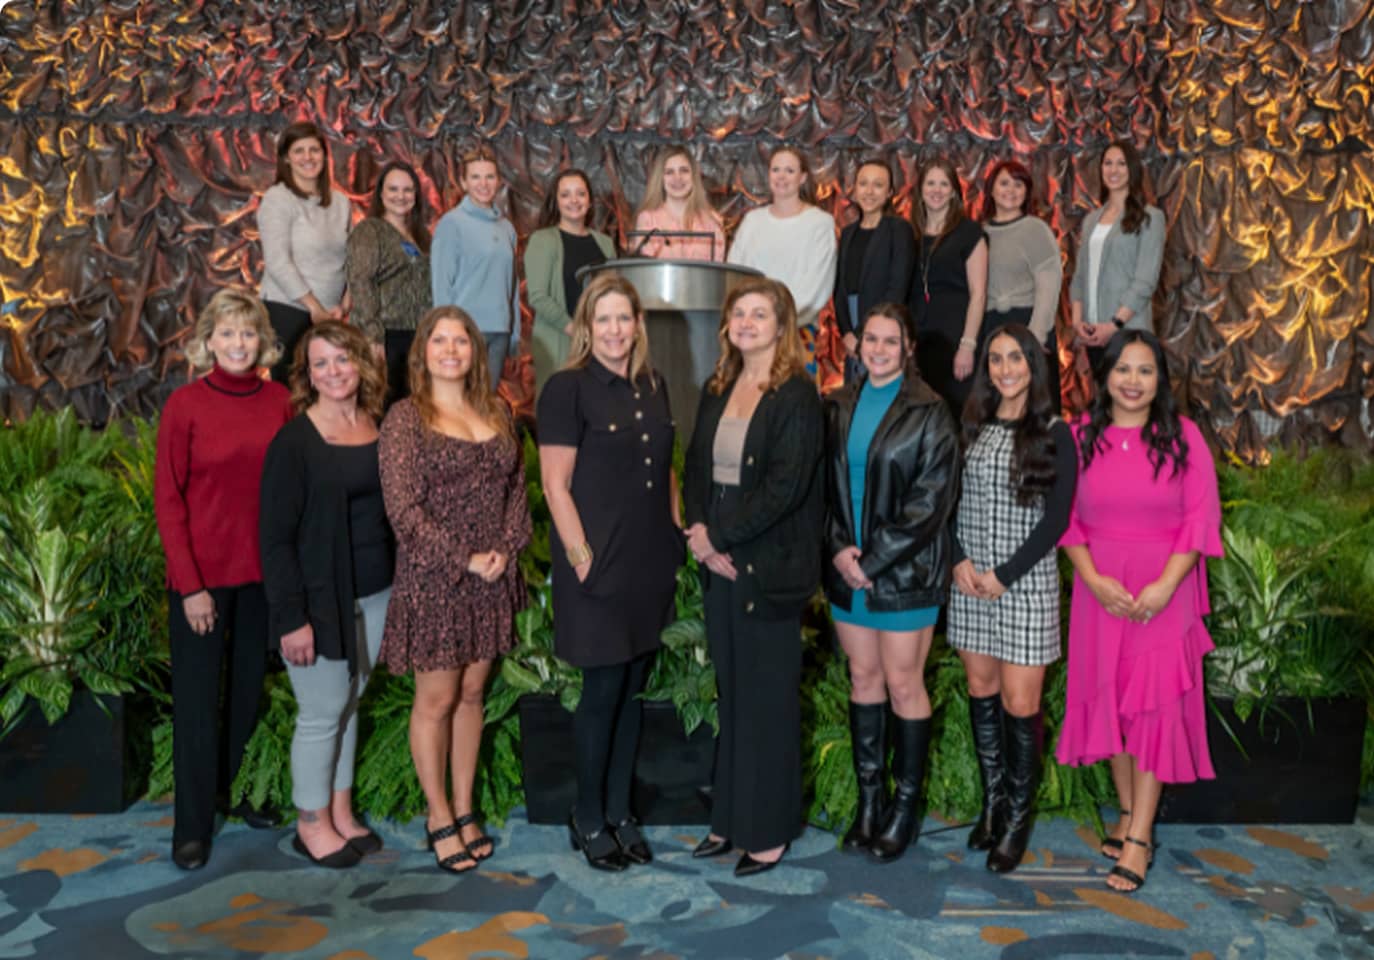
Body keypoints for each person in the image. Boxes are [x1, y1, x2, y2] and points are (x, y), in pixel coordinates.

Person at [1056, 329, 1221, 894]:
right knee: (1113, 707)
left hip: (1162, 594)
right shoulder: (1079, 436)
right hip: (1101, 591)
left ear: (1160, 380)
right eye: (1122, 369)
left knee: (1151, 712)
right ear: (1104, 377)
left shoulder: (1185, 437)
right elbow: (1065, 519)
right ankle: (1129, 813)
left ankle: (1141, 837)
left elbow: (1199, 521)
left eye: (1145, 370)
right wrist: (1093, 579)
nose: (1132, 381)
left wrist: (1165, 587)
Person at [378, 306, 531, 874]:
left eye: (460, 341)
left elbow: (517, 487)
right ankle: (438, 815)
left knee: (472, 695)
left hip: (491, 576)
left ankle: (466, 809)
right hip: (437, 578)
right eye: (439, 340)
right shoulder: (405, 418)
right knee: (437, 700)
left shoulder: (496, 409)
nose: (450, 350)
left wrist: (507, 550)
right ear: (423, 351)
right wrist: (462, 558)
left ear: (474, 351)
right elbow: (403, 511)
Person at [537, 274, 682, 871]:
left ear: (638, 325)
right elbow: (554, 484)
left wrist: (679, 533)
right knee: (600, 694)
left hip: (649, 561)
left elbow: (666, 468)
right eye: (604, 320)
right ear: (585, 327)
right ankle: (588, 815)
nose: (615, 331)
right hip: (596, 563)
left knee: (630, 694)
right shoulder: (566, 389)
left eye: (625, 319)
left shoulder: (654, 382)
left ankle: (621, 811)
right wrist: (579, 559)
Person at [684, 277, 825, 878]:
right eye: (738, 313)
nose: (746, 322)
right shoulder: (720, 385)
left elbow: (784, 490)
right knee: (734, 695)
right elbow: (693, 465)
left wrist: (721, 538)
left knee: (766, 702)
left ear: (780, 325)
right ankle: (729, 820)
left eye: (759, 314)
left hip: (767, 566)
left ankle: (766, 832)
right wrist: (697, 532)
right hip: (720, 563)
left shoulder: (796, 395)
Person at [154, 289, 293, 870]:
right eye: (228, 333)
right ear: (208, 340)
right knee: (195, 703)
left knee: (243, 699)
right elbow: (168, 499)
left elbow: (289, 491)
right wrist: (190, 586)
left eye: (249, 333)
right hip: (201, 584)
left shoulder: (281, 400)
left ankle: (226, 792)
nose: (239, 344)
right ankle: (191, 827)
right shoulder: (185, 405)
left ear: (263, 342)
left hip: (260, 577)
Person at [822, 303, 959, 864]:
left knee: (904, 684)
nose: (877, 349)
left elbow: (930, 504)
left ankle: (905, 809)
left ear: (907, 348)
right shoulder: (837, 404)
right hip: (847, 568)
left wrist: (871, 561)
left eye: (889, 340)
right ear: (858, 346)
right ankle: (870, 803)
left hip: (903, 573)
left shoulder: (930, 412)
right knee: (863, 678)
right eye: (869, 340)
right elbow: (823, 487)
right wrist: (836, 550)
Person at [259, 322, 393, 870]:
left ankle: (339, 808)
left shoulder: (373, 423)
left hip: (376, 589)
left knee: (351, 700)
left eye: (342, 358)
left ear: (360, 363)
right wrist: (292, 618)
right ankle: (310, 821)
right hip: (319, 599)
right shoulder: (294, 442)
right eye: (320, 363)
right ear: (306, 376)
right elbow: (274, 538)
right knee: (322, 710)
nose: (333, 371)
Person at [948, 323, 1076, 874]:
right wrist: (959, 560)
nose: (1005, 369)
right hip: (971, 582)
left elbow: (1057, 519)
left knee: (1020, 705)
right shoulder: (971, 425)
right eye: (996, 360)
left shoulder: (1055, 431)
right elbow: (948, 499)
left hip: (1024, 585)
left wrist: (1006, 573)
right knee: (981, 689)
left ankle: (1019, 818)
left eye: (1016, 359)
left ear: (1034, 365)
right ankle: (994, 803)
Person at [727, 146, 837, 380]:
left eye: (789, 170)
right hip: (750, 337)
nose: (782, 176)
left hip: (796, 335)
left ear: (803, 177)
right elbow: (734, 276)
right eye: (776, 169)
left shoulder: (820, 223)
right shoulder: (752, 221)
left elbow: (816, 288)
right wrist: (754, 321)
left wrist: (771, 322)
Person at [257, 121, 351, 385]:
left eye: (314, 150)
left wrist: (343, 306)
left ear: (324, 155)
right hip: (288, 311)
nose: (307, 157)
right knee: (290, 393)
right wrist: (314, 307)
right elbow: (278, 262)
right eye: (299, 151)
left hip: (331, 315)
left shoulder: (341, 203)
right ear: (286, 158)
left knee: (327, 391)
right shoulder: (278, 199)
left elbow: (354, 259)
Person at [1068, 141, 1165, 374]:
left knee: (1130, 404)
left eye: (1121, 164)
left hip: (1129, 332)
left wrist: (1114, 325)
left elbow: (1145, 281)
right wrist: (1077, 322)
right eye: (1108, 163)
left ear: (1132, 169)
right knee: (1104, 405)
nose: (1113, 170)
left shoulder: (1150, 217)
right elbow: (1080, 276)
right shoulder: (1091, 220)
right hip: (1093, 335)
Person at [430, 145, 519, 391]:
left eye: (490, 176)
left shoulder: (506, 228)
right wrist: (445, 333)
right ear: (464, 182)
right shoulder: (451, 223)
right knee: (462, 402)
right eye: (476, 177)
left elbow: (511, 287)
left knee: (485, 405)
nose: (484, 183)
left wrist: (514, 334)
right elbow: (441, 284)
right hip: (465, 331)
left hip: (499, 331)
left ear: (499, 180)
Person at [980, 160, 1063, 411]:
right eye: (1004, 183)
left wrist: (1035, 336)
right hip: (990, 328)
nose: (1011, 190)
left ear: (1027, 192)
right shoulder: (979, 232)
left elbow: (1049, 286)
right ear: (991, 189)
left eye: (1018, 185)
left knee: (1034, 408)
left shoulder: (1036, 230)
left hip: (1028, 325)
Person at [346, 161, 432, 401]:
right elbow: (361, 282)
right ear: (381, 193)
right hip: (386, 336)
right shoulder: (370, 230)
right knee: (384, 407)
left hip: (417, 336)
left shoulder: (421, 236)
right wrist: (373, 336)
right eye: (393, 189)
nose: (400, 196)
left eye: (407, 190)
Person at [525, 169, 617, 394]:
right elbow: (538, 296)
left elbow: (614, 294)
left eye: (580, 194)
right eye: (565, 195)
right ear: (556, 202)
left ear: (590, 200)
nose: (574, 200)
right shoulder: (543, 240)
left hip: (601, 343)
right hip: (558, 341)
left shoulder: (605, 243)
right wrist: (575, 330)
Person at [907, 158, 988, 416]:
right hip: (918, 342)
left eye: (944, 184)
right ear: (920, 189)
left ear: (954, 191)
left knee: (954, 416)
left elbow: (978, 294)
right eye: (930, 183)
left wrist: (968, 345)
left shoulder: (969, 232)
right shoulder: (910, 234)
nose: (936, 190)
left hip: (955, 341)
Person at [833, 159, 915, 382]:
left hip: (883, 327)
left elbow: (897, 289)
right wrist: (847, 333)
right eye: (863, 184)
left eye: (878, 185)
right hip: (851, 327)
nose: (869, 191)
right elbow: (839, 288)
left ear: (889, 192)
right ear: (855, 189)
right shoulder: (848, 233)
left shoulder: (899, 229)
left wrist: (864, 334)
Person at [632, 146, 727, 262]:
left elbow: (717, 272)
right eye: (669, 172)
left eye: (684, 170)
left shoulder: (712, 220)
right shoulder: (647, 219)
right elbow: (644, 269)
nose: (678, 178)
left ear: (694, 176)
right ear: (660, 179)